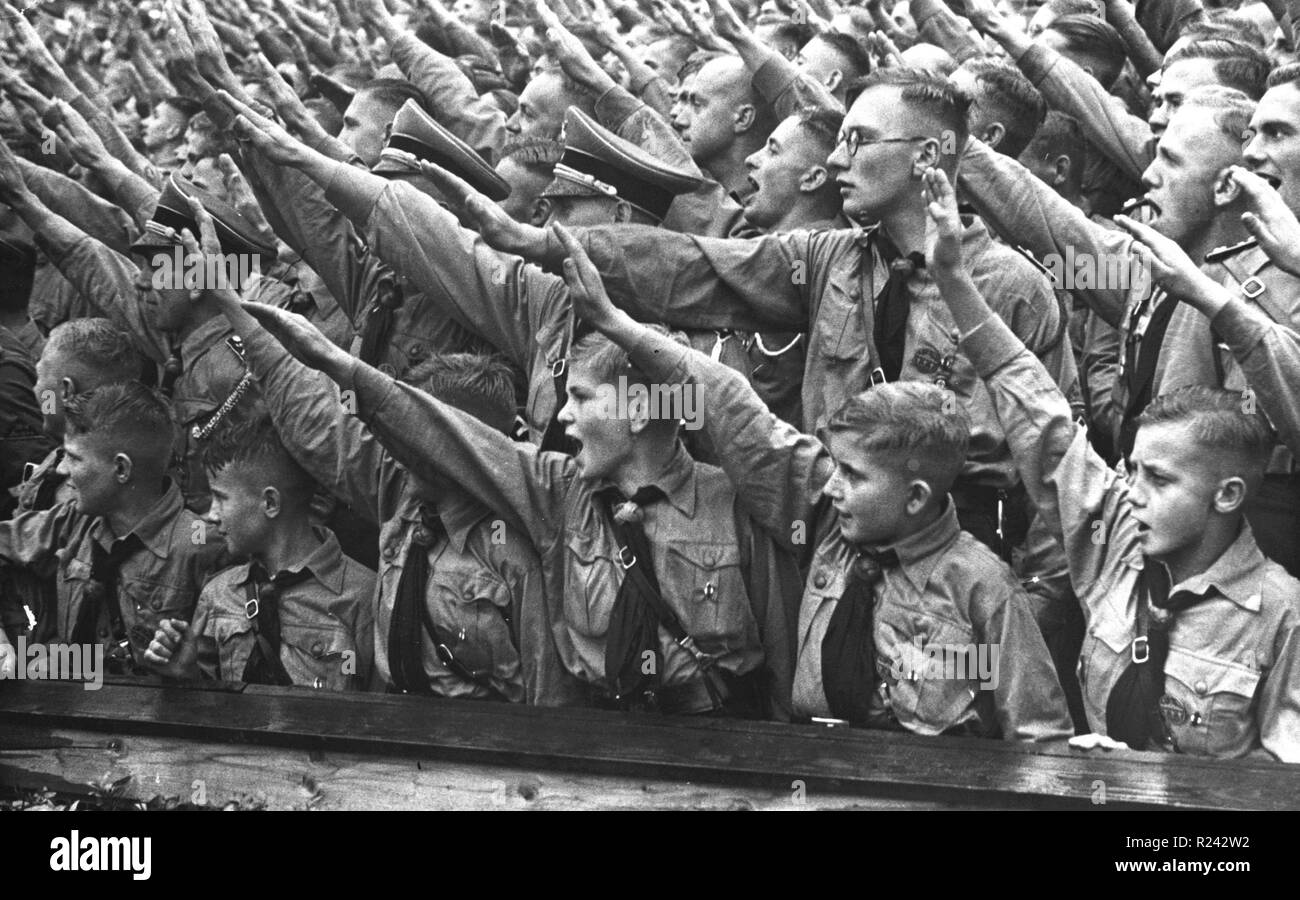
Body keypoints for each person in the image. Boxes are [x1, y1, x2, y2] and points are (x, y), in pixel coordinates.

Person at [554, 222, 1073, 740]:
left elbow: (1037, 736)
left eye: (853, 475)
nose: (832, 485)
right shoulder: (826, 525)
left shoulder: (979, 590)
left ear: (914, 497)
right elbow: (730, 407)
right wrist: (617, 325)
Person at [231, 250, 799, 718]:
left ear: (642, 409)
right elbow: (448, 437)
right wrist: (341, 368)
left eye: (580, 399)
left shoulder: (730, 503)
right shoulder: (559, 493)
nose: (564, 418)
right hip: (607, 738)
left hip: (723, 739)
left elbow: (781, 654)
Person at [923, 164, 1300, 762]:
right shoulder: (1113, 540)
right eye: (1131, 470)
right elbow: (1041, 413)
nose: (1131, 490)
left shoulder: (1283, 615)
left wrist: (1149, 777)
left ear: (1227, 495)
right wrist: (953, 280)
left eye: (1159, 478)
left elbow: (1286, 777)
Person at [0, 381, 225, 677]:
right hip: (77, 702)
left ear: (121, 469)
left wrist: (191, 673)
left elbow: (228, 678)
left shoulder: (201, 545)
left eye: (74, 458)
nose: (62, 470)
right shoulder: (75, 520)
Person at [144, 414, 376, 691]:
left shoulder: (362, 597)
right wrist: (187, 673)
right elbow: (210, 707)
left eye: (220, 497)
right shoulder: (218, 594)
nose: (211, 515)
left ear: (270, 502)